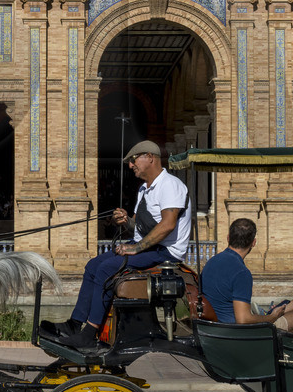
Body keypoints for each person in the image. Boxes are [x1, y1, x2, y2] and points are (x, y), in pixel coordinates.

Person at [50, 140, 192, 349]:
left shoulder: (170, 185)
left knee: (107, 269)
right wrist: (126, 220)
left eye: (134, 160)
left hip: (166, 251)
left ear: (150, 158)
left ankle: (89, 334)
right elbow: (140, 228)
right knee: (92, 265)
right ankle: (74, 324)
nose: (130, 165)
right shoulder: (144, 189)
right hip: (147, 245)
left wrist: (135, 248)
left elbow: (168, 225)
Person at [199, 218, 287, 325]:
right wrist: (272, 317)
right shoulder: (241, 273)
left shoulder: (211, 262)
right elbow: (243, 320)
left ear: (228, 238)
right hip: (232, 332)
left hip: (210, 327)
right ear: (253, 243)